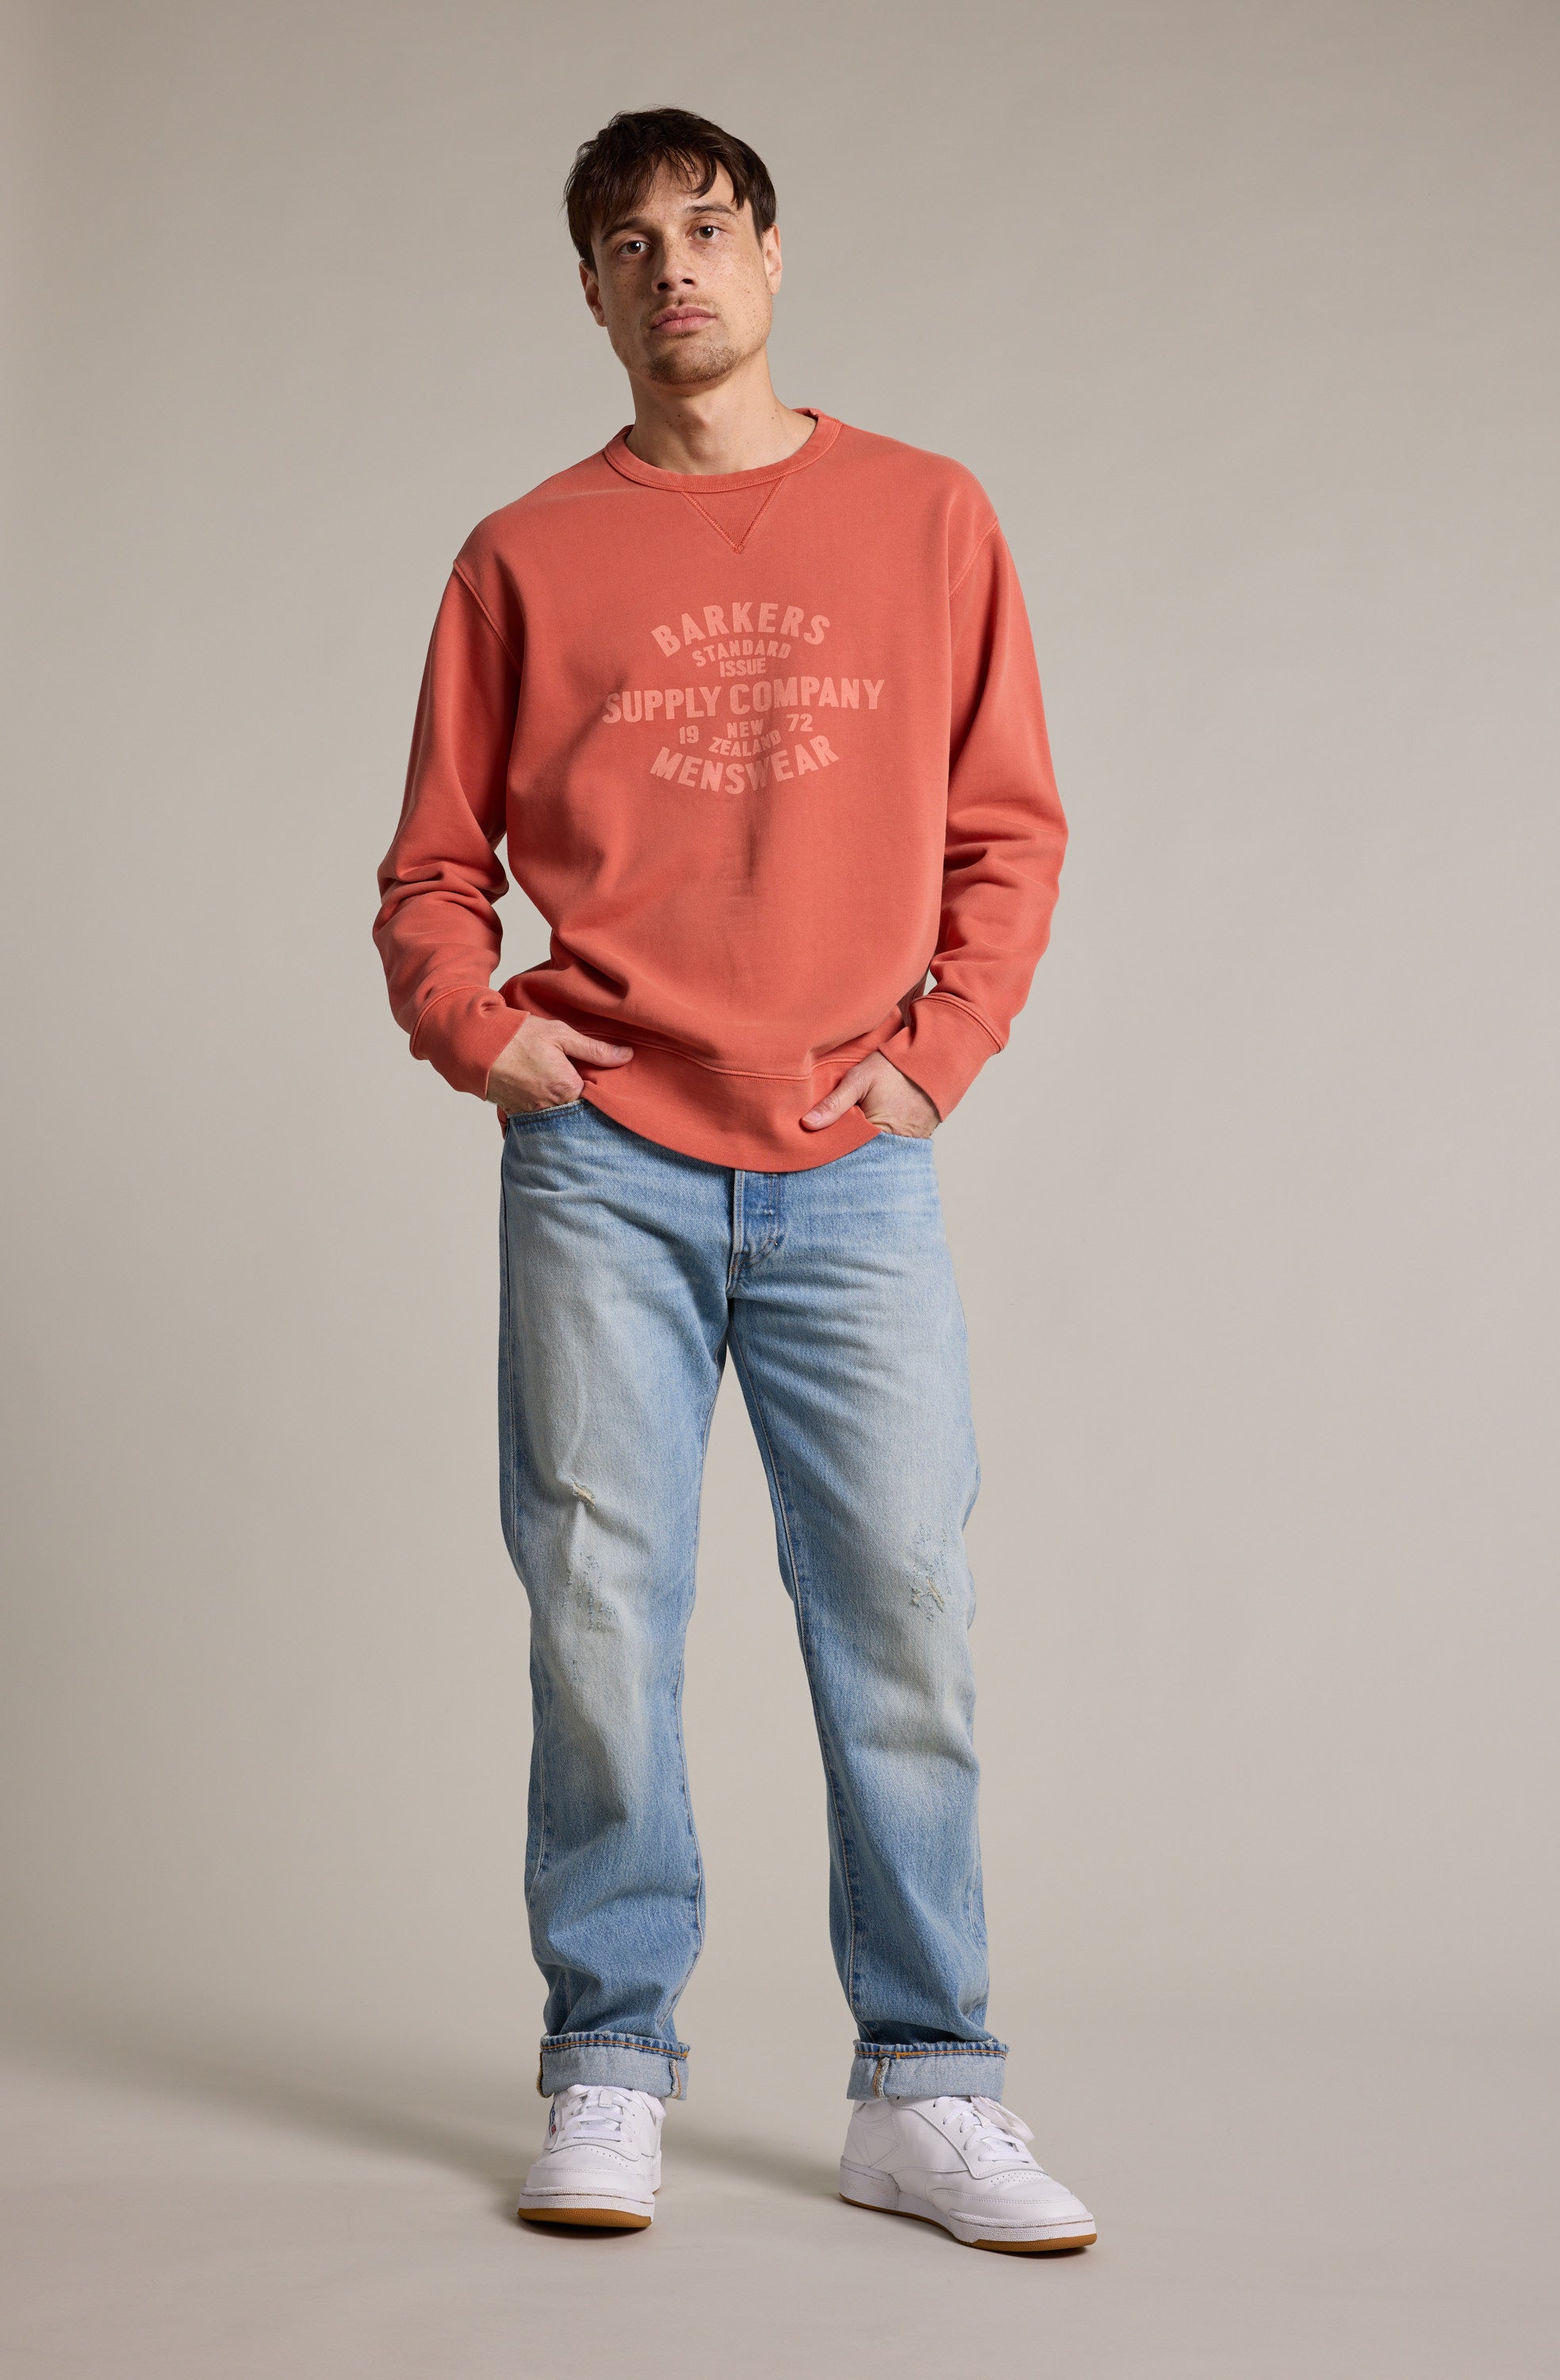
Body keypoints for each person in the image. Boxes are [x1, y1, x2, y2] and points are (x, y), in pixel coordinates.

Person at [373, 106, 1094, 2255]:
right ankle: (609, 2068)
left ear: (770, 261)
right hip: (598, 1158)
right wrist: (474, 1026)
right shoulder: (520, 553)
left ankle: (926, 2090)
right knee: (602, 1619)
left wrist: (938, 1054)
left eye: (704, 230)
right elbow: (432, 868)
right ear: (589, 295)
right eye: (624, 243)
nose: (668, 268)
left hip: (847, 1170)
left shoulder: (927, 515)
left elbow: (1010, 827)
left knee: (900, 1619)